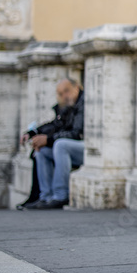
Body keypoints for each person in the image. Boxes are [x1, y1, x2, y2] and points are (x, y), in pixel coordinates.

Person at [21, 79, 84, 210]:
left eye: (66, 91)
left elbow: (77, 133)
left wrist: (49, 140)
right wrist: (34, 133)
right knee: (42, 151)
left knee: (60, 145)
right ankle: (46, 197)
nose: (64, 96)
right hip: (72, 149)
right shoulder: (67, 106)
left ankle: (61, 195)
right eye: (60, 94)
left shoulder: (84, 103)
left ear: (77, 88)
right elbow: (55, 125)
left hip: (87, 148)